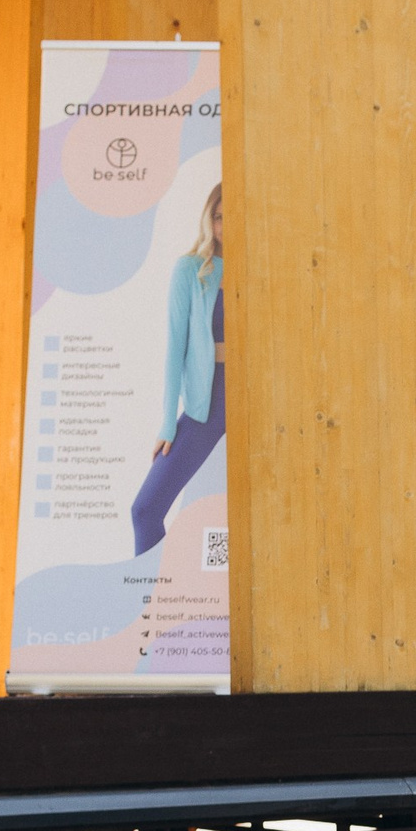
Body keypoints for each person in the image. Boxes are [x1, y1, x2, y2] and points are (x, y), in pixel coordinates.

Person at [129, 183, 226, 555]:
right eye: (219, 217)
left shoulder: (260, 269)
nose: (226, 226)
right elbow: (175, 347)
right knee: (146, 509)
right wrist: (168, 422)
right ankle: (157, 597)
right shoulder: (190, 269)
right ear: (209, 219)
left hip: (254, 399)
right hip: (209, 403)